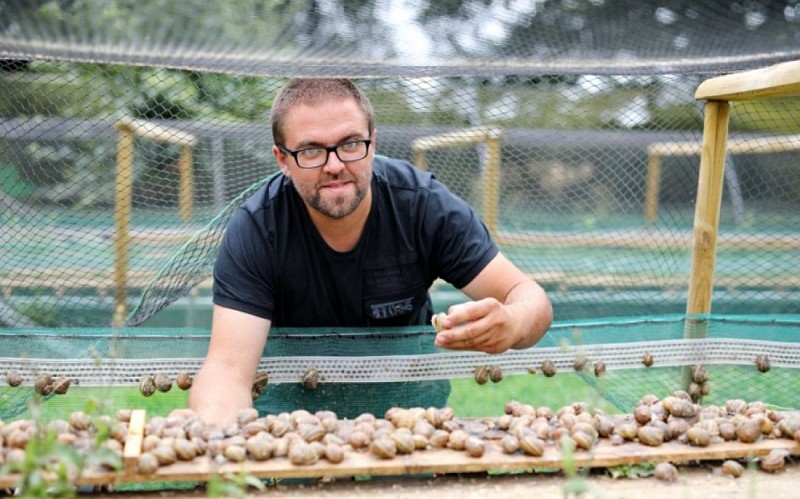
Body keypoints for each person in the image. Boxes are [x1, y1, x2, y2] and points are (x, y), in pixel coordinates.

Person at [187, 78, 552, 424]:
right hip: (289, 415)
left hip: (408, 413)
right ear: (283, 160)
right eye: (311, 150)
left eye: (349, 144)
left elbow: (528, 297)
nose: (334, 166)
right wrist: (215, 433)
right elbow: (228, 369)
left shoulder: (424, 206)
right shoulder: (256, 228)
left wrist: (514, 323)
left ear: (372, 143)